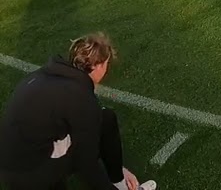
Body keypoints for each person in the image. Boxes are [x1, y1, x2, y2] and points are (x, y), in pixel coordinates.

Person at [0, 34, 155, 190]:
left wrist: (120, 170)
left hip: (14, 161)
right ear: (97, 66)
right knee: (86, 160)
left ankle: (118, 180)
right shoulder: (80, 98)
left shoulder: (46, 74)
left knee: (105, 119)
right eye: (106, 63)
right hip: (29, 173)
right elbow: (88, 166)